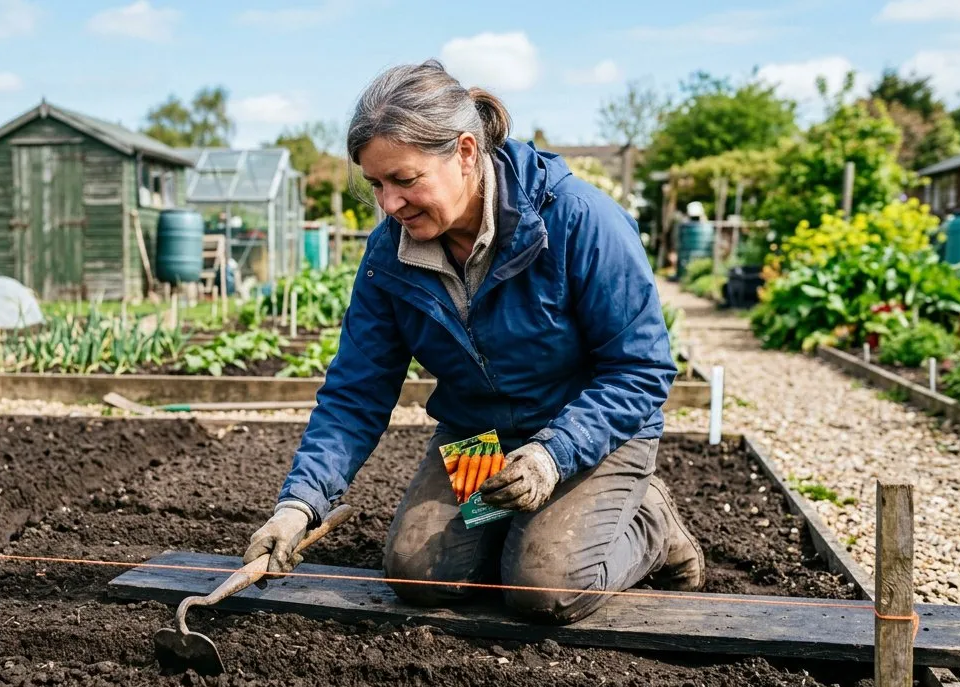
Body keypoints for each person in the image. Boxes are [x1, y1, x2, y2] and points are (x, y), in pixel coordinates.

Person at [243, 60, 704, 625]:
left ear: (465, 152)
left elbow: (640, 370)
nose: (388, 204)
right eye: (376, 184)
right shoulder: (390, 255)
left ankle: (650, 523)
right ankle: (517, 530)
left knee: (543, 588)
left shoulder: (579, 221)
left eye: (405, 180)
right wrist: (300, 505)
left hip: (593, 436)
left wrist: (551, 455)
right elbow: (356, 392)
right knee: (419, 574)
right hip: (482, 438)